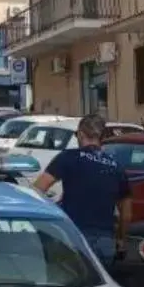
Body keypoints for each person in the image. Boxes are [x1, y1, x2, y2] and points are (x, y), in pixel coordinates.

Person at [32, 114, 132, 266]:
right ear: (102, 137)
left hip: (73, 237)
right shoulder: (116, 166)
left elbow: (37, 190)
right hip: (105, 241)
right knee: (101, 281)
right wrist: (121, 240)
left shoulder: (68, 158)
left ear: (80, 134)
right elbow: (126, 214)